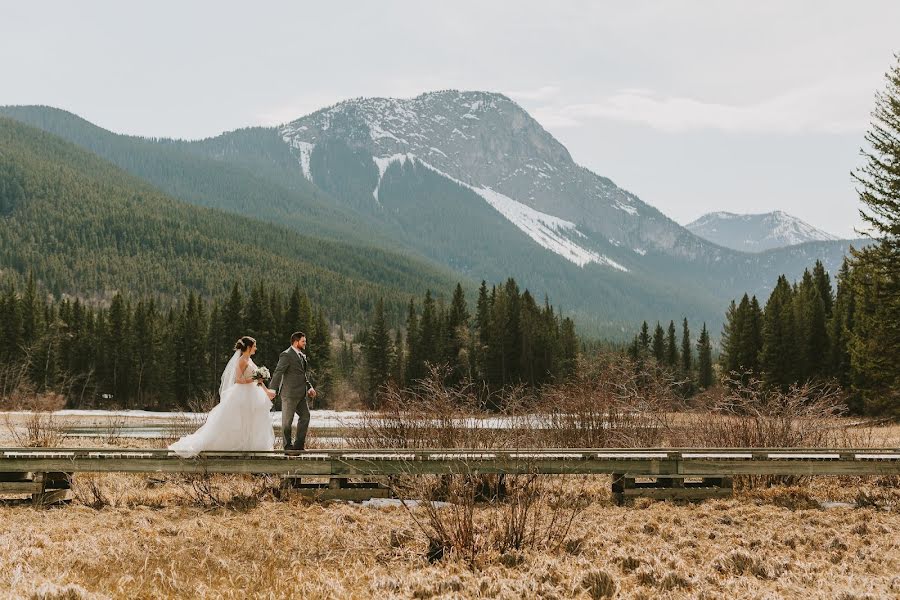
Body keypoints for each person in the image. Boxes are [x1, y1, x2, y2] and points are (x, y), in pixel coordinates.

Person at [168, 336, 276, 457]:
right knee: (239, 421)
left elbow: (258, 380)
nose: (256, 348)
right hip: (242, 394)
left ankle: (252, 448)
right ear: (249, 347)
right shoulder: (242, 361)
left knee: (252, 420)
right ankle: (237, 448)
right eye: (254, 346)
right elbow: (238, 380)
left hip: (253, 393)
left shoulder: (249, 360)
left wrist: (266, 392)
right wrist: (254, 378)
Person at [270, 331, 317, 451]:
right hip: (289, 394)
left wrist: (310, 387)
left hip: (301, 394)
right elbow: (278, 372)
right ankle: (287, 446)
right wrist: (272, 389)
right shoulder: (286, 355)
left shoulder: (302, 355)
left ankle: (299, 445)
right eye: (303, 341)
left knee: (305, 417)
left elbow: (302, 375)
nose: (305, 343)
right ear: (296, 342)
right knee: (287, 422)